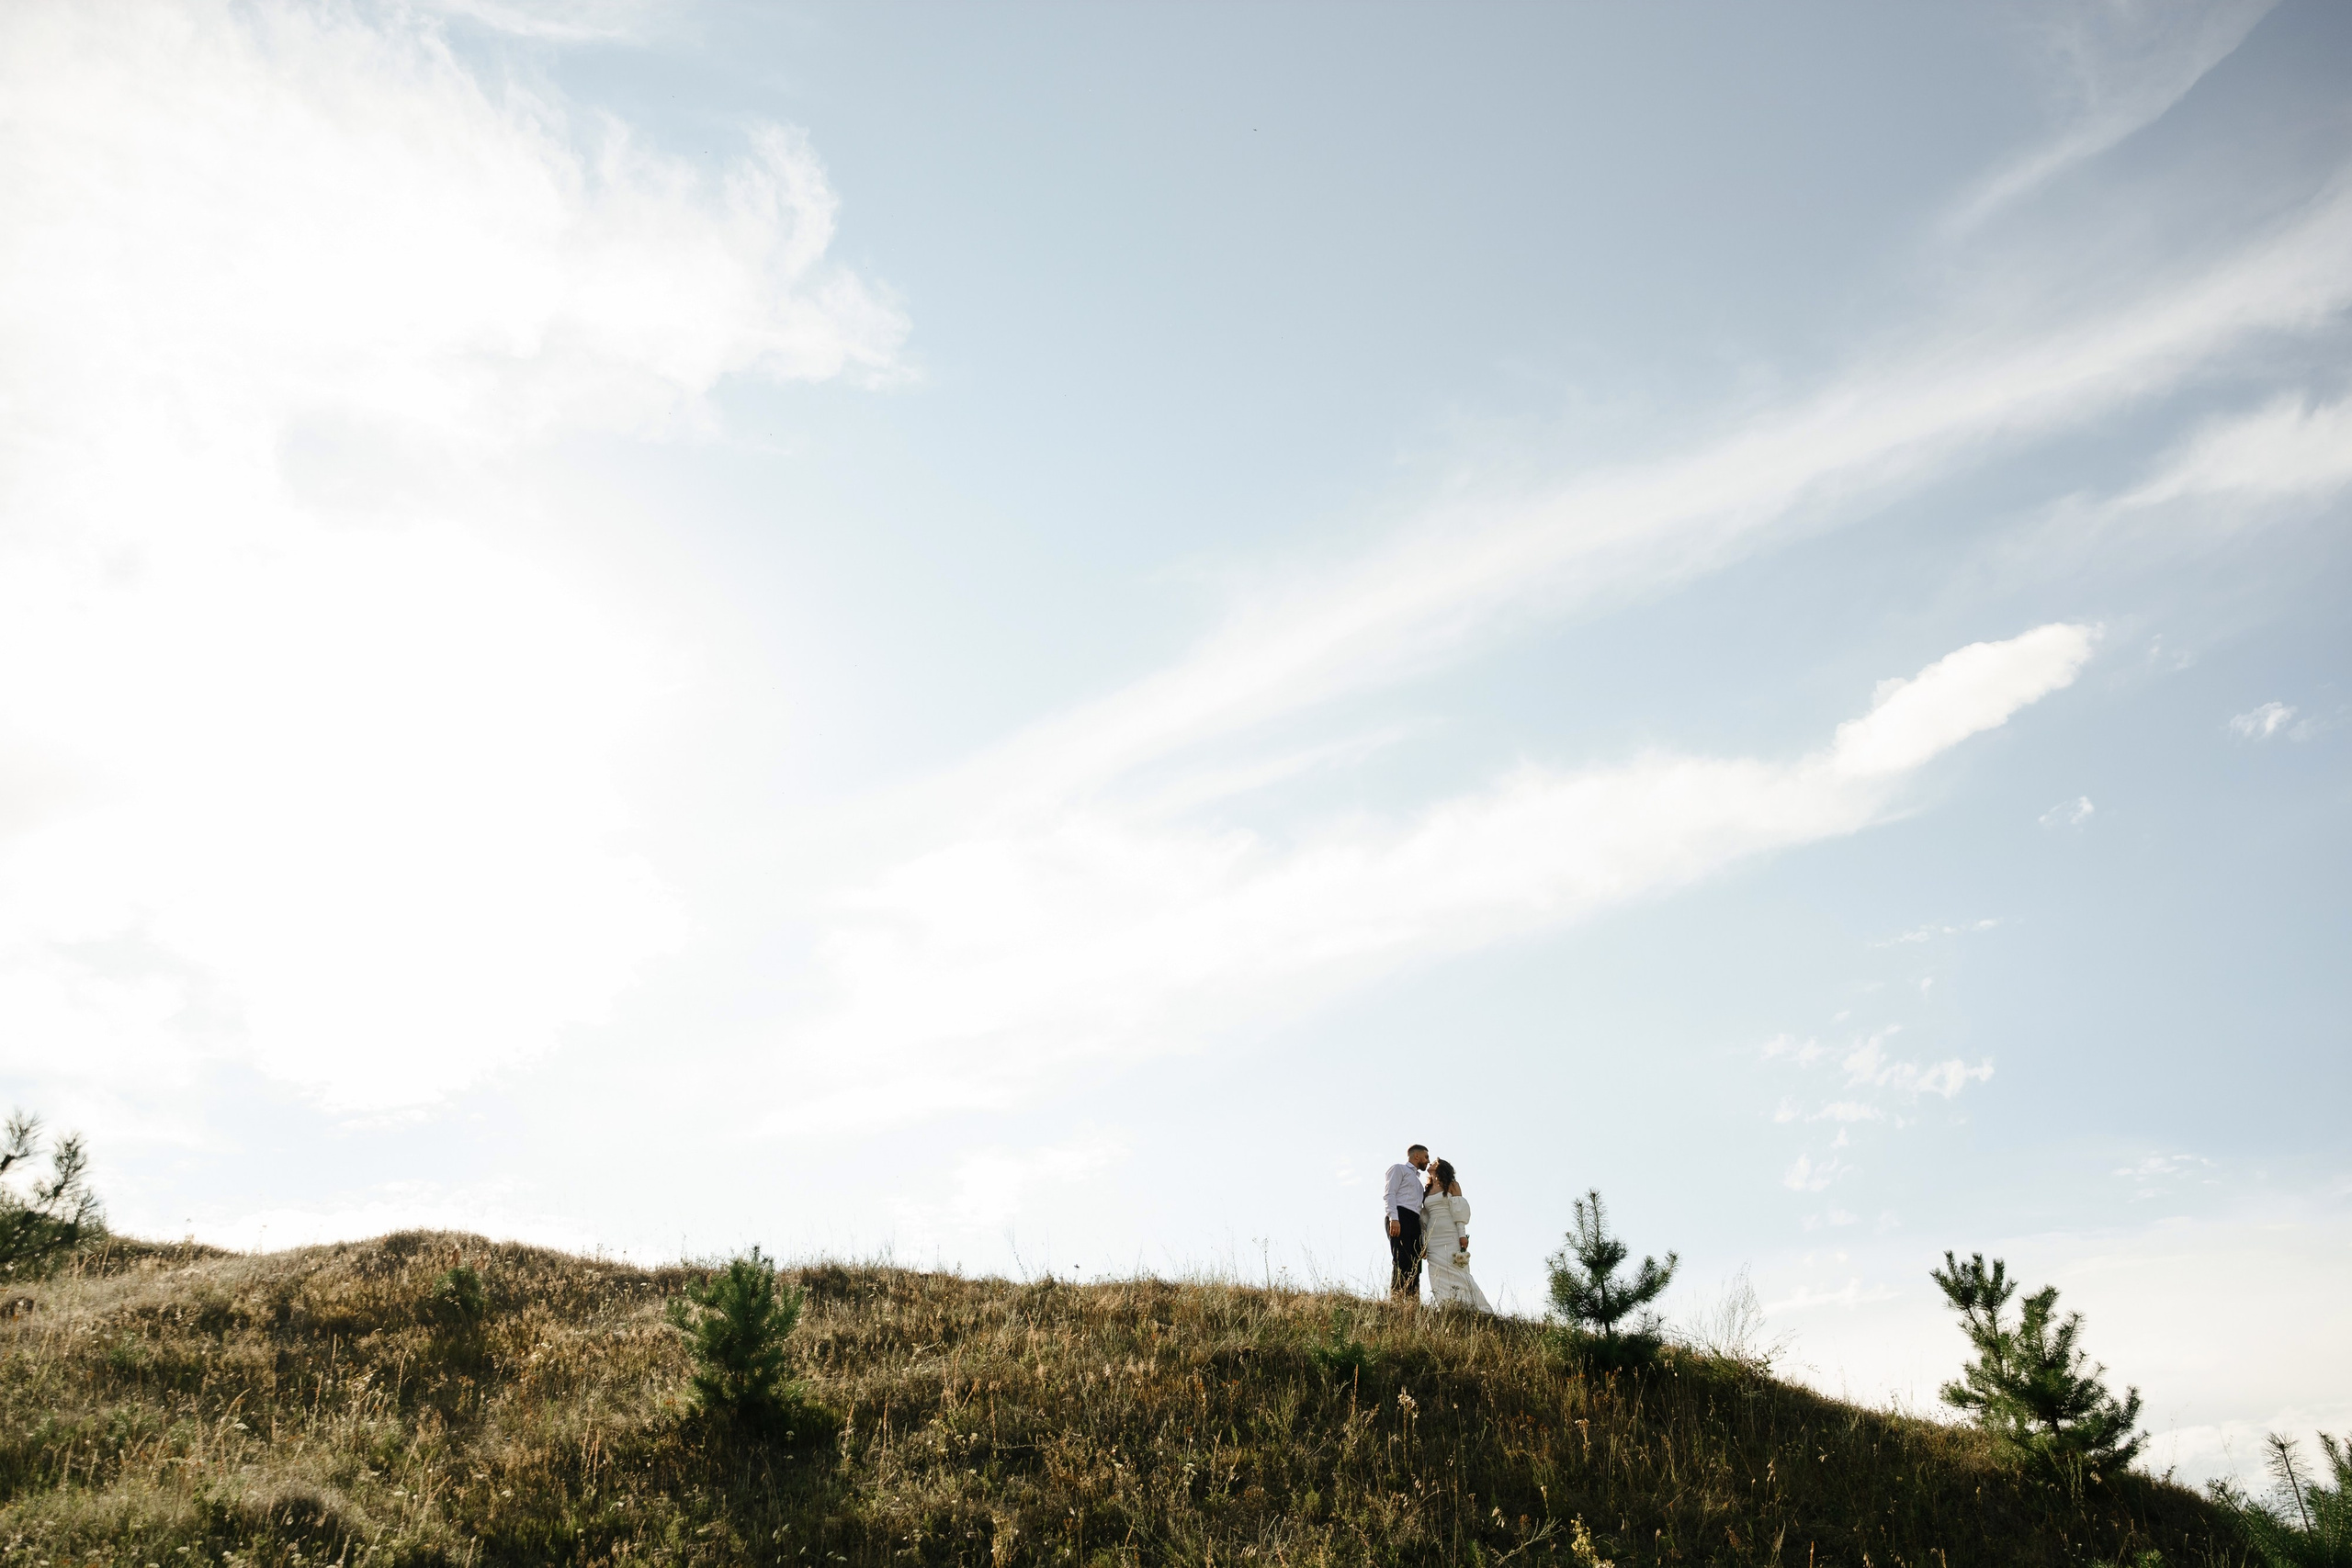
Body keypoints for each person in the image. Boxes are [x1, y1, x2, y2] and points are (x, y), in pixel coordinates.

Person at [1419, 1158, 1494, 1314]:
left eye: (1434, 1163)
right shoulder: (1426, 1190)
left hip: (1450, 1232)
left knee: (1458, 1270)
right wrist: (1424, 1241)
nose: (1430, 1164)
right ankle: (1447, 1307)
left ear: (1441, 1167)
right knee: (1436, 1271)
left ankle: (1478, 1308)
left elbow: (1459, 1210)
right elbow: (1424, 1218)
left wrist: (1462, 1234)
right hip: (1433, 1236)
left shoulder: (1452, 1185)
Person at [1384, 1144, 1430, 1303]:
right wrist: (1394, 1218)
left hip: (1414, 1221)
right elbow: (1390, 1194)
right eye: (1426, 1157)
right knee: (1402, 1259)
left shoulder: (1419, 1184)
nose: (1428, 1161)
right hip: (1400, 1215)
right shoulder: (1399, 1169)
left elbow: (1420, 1212)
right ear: (1416, 1156)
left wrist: (1422, 1239)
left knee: (1415, 1264)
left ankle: (1412, 1303)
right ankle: (1396, 1301)